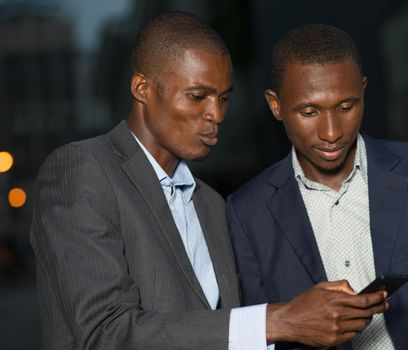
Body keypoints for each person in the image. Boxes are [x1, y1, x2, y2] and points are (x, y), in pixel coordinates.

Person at [29, 12, 388, 350]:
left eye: (224, 98)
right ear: (142, 88)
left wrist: (314, 326)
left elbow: (219, 333)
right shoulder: (82, 170)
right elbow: (105, 333)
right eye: (198, 96)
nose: (216, 114)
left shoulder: (214, 205)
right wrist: (278, 320)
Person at [227, 23, 408, 349]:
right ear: (275, 105)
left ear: (363, 90)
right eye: (309, 111)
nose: (331, 132)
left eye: (346, 107)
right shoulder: (247, 213)